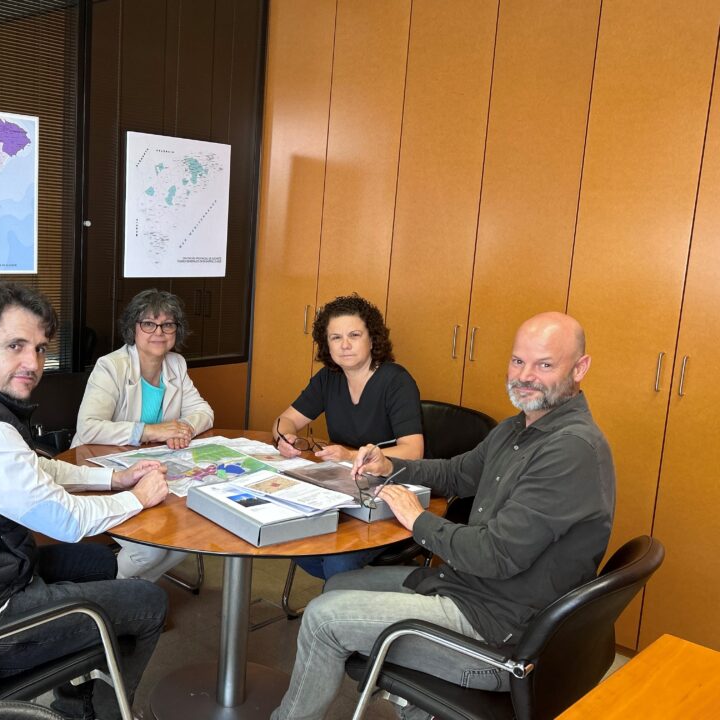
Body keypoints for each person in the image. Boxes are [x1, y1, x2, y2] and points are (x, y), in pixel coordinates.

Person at [270, 312, 616, 720]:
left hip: (498, 636)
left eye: (544, 365)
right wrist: (390, 466)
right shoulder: (517, 429)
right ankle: (416, 707)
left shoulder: (570, 450)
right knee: (338, 585)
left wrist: (418, 519)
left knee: (322, 618)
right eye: (518, 361)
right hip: (467, 588)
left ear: (580, 368)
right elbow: (457, 473)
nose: (525, 376)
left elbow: (494, 554)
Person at [0, 281, 169, 720]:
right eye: (15, 346)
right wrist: (137, 497)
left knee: (102, 564)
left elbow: (34, 469)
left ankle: (78, 696)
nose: (32, 363)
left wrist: (113, 478)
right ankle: (99, 713)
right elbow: (67, 521)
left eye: (39, 349)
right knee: (150, 602)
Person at [272, 294, 424, 579]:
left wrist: (351, 455)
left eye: (354, 335)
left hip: (388, 491)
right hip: (343, 488)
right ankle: (346, 591)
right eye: (336, 337)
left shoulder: (396, 381)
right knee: (288, 533)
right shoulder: (328, 378)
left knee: (337, 562)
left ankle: (347, 596)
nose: (345, 345)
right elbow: (285, 420)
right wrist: (286, 437)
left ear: (372, 339)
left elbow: (413, 451)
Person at [72, 288, 214, 581]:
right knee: (148, 550)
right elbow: (89, 426)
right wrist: (151, 431)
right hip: (102, 469)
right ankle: (114, 594)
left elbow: (204, 411)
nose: (158, 332)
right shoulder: (111, 366)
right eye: (149, 323)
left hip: (151, 468)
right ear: (133, 328)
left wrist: (184, 428)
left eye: (167, 324)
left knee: (190, 532)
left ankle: (140, 589)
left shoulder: (176, 364)